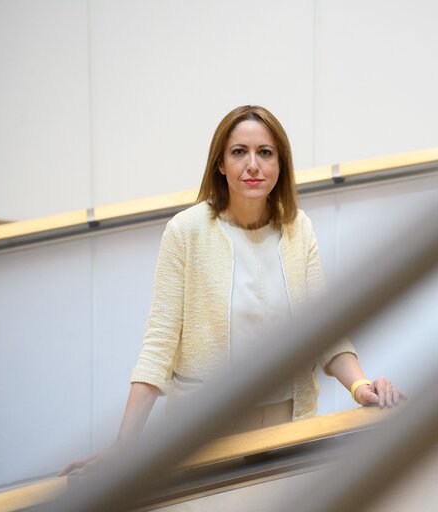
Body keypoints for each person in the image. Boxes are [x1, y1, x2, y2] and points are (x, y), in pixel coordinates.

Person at [60, 105, 401, 476]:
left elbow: (323, 332)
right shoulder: (185, 231)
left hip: (288, 422)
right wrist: (125, 446)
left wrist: (361, 386)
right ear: (220, 164)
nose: (252, 165)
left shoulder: (298, 228)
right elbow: (159, 345)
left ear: (280, 165)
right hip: (206, 426)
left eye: (265, 153)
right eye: (239, 152)